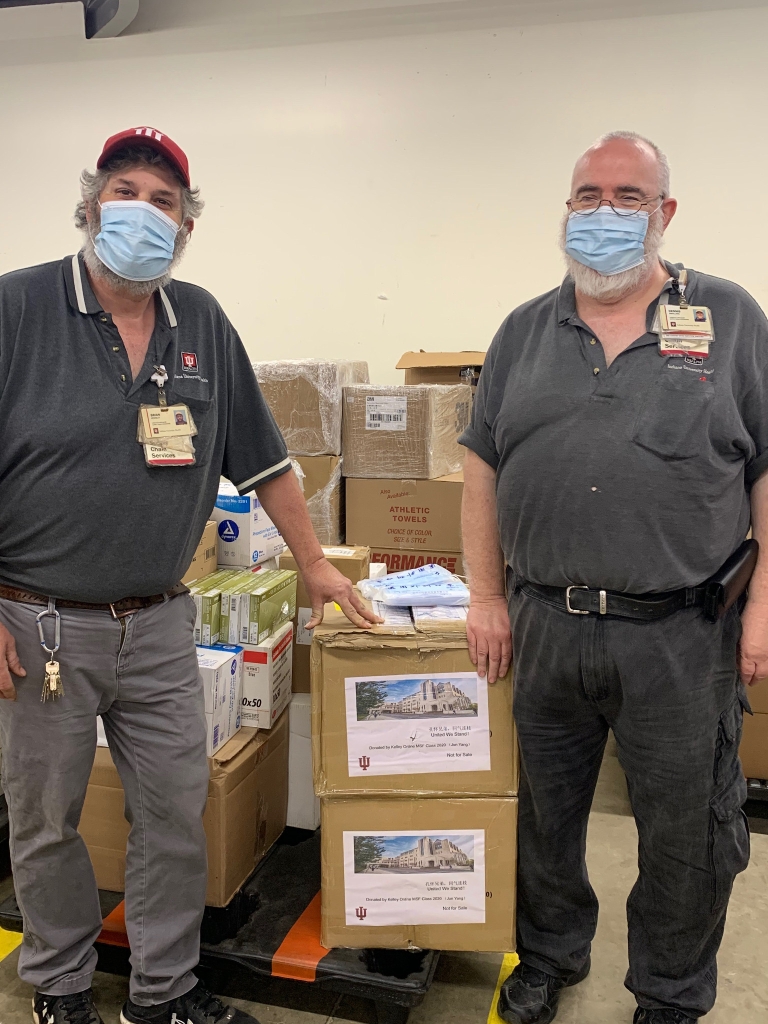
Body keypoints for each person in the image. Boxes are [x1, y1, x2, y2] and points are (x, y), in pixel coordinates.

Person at [0, 126, 378, 1024]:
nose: (142, 210)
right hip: (38, 624)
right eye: (125, 191)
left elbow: (264, 459)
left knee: (174, 813)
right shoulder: (17, 309)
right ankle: (58, 986)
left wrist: (315, 561)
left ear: (186, 227)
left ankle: (163, 992)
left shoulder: (200, 319)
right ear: (90, 205)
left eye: (163, 201)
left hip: (162, 624)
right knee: (46, 818)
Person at [460, 130, 767, 1024]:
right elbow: (480, 466)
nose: (603, 213)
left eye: (627, 197)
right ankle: (551, 953)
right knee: (544, 817)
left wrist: (761, 615)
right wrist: (485, 594)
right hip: (545, 622)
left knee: (686, 833)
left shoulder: (731, 318)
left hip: (681, 633)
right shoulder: (525, 330)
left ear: (665, 214)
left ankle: (668, 993)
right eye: (587, 195)